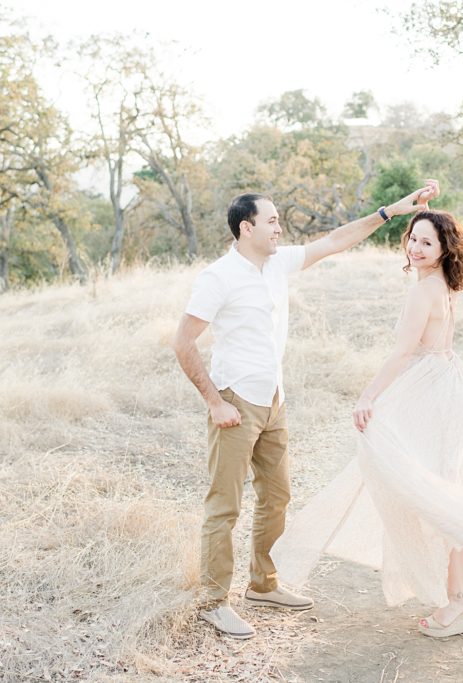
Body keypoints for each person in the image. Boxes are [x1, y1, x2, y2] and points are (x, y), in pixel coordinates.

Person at [173, 181, 440, 640]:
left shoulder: (277, 264)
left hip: (273, 400)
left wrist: (390, 212)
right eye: (272, 220)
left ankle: (263, 584)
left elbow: (335, 240)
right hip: (235, 402)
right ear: (246, 227)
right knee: (225, 506)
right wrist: (215, 403)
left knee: (276, 497)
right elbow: (183, 342)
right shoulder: (218, 277)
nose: (280, 227)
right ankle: (213, 601)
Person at [271, 209, 463, 638]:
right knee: (435, 487)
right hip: (445, 384)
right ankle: (457, 595)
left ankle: (457, 600)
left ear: (443, 250)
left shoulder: (425, 291)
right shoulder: (442, 284)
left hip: (434, 390)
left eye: (427, 243)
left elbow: (402, 352)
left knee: (434, 492)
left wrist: (368, 396)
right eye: (412, 238)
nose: (415, 248)